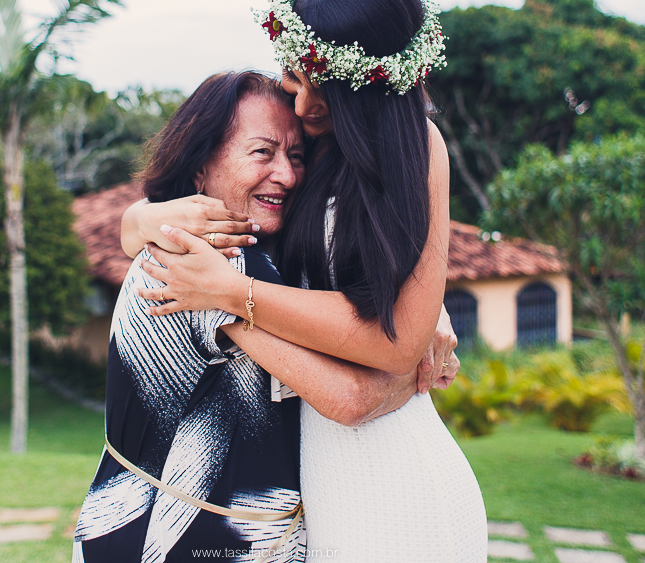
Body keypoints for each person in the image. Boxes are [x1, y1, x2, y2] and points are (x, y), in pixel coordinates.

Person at [122, 0, 487, 562]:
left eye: (325, 86)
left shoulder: (417, 150)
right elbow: (175, 208)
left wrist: (228, 302)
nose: (304, 102)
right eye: (294, 75)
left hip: (398, 491)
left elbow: (393, 347)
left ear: (368, 87)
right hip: (319, 490)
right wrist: (140, 221)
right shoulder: (305, 153)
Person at [74, 71, 423, 563]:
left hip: (124, 529)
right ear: (199, 168)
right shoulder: (225, 264)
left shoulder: (213, 253)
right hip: (195, 544)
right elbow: (352, 397)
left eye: (296, 155)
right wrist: (413, 351)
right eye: (262, 153)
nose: (287, 174)